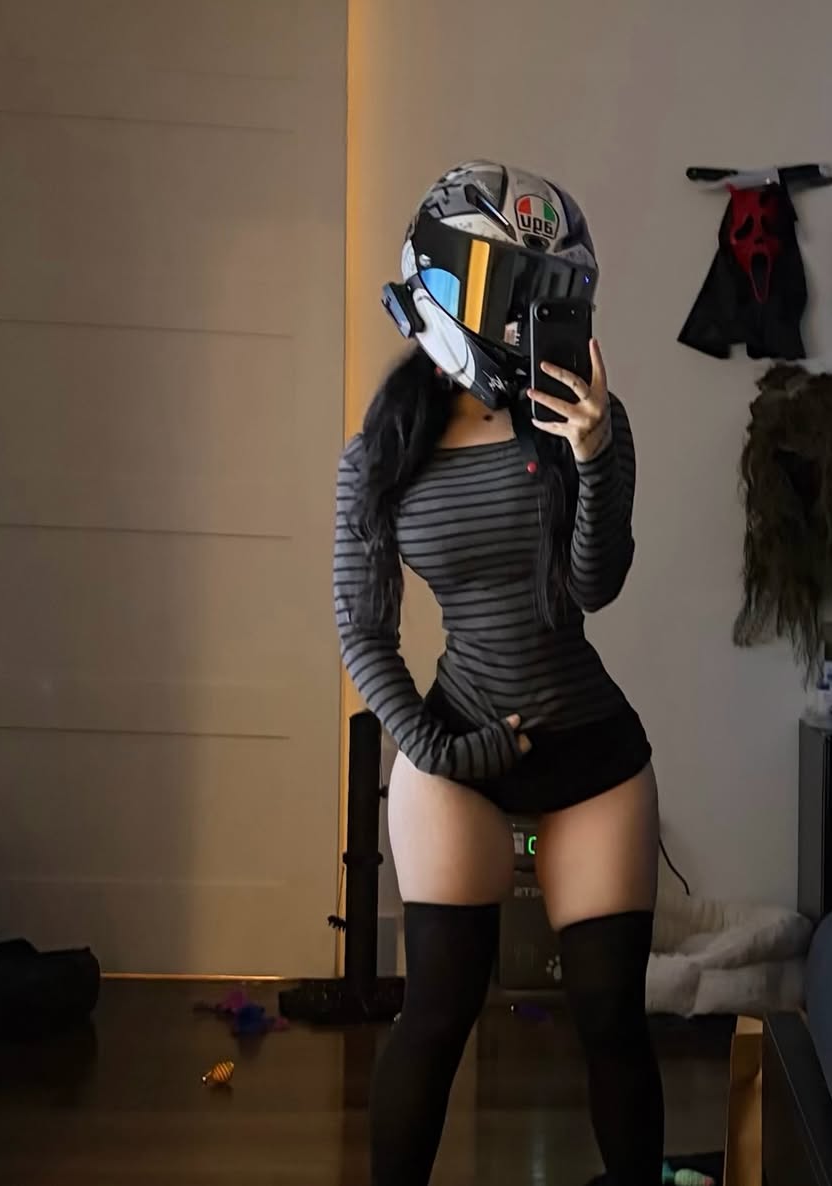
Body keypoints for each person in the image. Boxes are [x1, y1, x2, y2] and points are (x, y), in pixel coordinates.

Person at [334, 161, 663, 1186]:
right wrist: (438, 749)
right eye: (518, 292)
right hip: (457, 745)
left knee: (611, 1017)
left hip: (591, 753)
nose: (533, 318)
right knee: (436, 1013)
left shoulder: (583, 419)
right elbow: (363, 631)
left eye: (551, 293)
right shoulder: (382, 451)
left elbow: (595, 587)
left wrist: (595, 453)